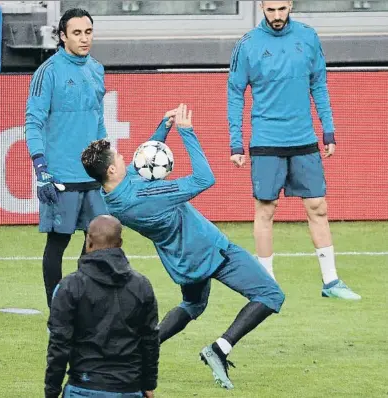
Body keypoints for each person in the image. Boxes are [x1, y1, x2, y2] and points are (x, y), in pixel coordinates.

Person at [81, 104, 285, 390]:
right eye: (118, 156)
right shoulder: (145, 193)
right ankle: (220, 348)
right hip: (210, 250)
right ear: (113, 168)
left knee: (192, 304)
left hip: (181, 262)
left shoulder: (113, 194)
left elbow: (146, 163)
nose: (125, 155)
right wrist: (187, 133)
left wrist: (164, 128)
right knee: (271, 294)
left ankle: (141, 350)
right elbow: (204, 179)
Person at [227, 1, 361, 300]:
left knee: (318, 207)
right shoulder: (247, 45)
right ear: (262, 6)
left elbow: (320, 84)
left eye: (282, 9)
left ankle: (331, 282)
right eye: (271, 9)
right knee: (266, 210)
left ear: (291, 5)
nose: (277, 16)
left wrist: (328, 129)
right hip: (266, 140)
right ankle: (267, 284)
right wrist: (236, 141)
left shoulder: (308, 37)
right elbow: (235, 93)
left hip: (303, 138)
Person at [25, 8, 109, 309]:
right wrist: (41, 169)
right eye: (77, 33)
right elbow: (33, 122)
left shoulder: (96, 69)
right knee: (57, 243)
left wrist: (105, 159)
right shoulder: (47, 72)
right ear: (62, 36)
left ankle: (81, 301)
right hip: (61, 175)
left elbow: (99, 119)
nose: (84, 38)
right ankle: (56, 311)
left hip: (92, 175)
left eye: (88, 32)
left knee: (98, 242)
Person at [45, 215, 159, 398]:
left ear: (88, 242)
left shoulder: (69, 286)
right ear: (120, 243)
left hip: (83, 386)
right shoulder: (142, 285)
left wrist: (51, 392)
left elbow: (59, 344)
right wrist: (149, 383)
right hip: (128, 388)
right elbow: (150, 340)